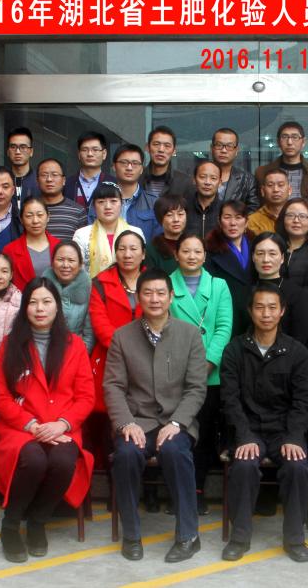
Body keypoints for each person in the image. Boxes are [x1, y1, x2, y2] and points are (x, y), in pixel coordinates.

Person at [104, 269, 209, 563]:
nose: (154, 299)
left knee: (176, 452)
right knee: (126, 454)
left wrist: (177, 423)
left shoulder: (190, 334)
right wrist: (126, 423)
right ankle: (131, 535)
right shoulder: (122, 337)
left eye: (161, 293)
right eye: (147, 293)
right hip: (137, 420)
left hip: (176, 422)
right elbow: (113, 386)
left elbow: (196, 387)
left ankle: (188, 536)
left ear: (171, 296)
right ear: (138, 297)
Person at [0, 277, 95, 563]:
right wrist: (32, 426)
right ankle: (10, 525)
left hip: (62, 426)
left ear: (57, 307)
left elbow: (86, 396)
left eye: (47, 302)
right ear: (24, 307)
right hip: (21, 427)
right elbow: (0, 396)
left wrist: (62, 424)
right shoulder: (11, 345)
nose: (40, 308)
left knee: (64, 461)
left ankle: (37, 521)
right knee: (34, 459)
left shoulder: (74, 345)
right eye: (33, 302)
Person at [221, 283, 308, 563]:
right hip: (247, 429)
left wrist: (294, 437)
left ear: (282, 311)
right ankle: (239, 537)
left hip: (283, 431)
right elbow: (229, 400)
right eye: (260, 307)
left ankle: (294, 539)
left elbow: (303, 402)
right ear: (250, 311)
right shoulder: (235, 350)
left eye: (272, 307)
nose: (266, 314)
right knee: (244, 465)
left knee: (298, 467)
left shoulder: (296, 352)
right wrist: (244, 435)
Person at [170, 233, 234, 514]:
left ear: (205, 256)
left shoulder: (219, 286)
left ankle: (197, 489)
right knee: (177, 433)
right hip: (175, 374)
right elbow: (163, 328)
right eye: (186, 251)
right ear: (176, 255)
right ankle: (177, 491)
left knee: (205, 434)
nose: (192, 256)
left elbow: (224, 327)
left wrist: (208, 362)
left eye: (197, 251)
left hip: (210, 374)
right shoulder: (166, 286)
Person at [86, 230, 147, 465]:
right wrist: (127, 350)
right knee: (107, 414)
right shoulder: (100, 282)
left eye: (133, 249)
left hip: (146, 358)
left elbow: (160, 315)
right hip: (109, 358)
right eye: (122, 249)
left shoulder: (153, 281)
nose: (127, 254)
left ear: (143, 254)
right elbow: (100, 324)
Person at [204, 200, 255, 336]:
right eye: (227, 217)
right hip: (227, 315)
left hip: (254, 313)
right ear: (220, 221)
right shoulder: (210, 250)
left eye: (238, 217)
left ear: (246, 221)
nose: (233, 223)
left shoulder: (256, 246)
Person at [255, 121, 308, 213]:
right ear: (278, 142)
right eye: (284, 137)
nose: (289, 142)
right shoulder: (262, 173)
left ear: (303, 142)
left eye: (295, 137)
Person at [74, 182, 145, 278]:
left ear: (122, 204)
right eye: (101, 202)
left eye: (113, 201)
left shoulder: (136, 233)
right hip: (92, 286)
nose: (108, 206)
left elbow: (141, 268)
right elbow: (77, 271)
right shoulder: (82, 235)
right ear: (94, 206)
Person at [252, 232, 308, 346]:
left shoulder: (297, 294)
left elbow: (300, 338)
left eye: (272, 253)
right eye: (260, 253)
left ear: (282, 258)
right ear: (253, 257)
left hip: (288, 355)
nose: (266, 259)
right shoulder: (245, 291)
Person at [42, 241, 95, 352]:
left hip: (76, 350)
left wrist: (80, 354)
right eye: (60, 260)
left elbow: (89, 334)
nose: (65, 265)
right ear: (52, 262)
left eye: (71, 260)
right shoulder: (41, 287)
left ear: (80, 264)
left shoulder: (90, 290)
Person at [3, 197, 60, 291]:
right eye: (29, 216)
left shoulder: (59, 246)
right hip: (21, 299)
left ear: (48, 217)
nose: (35, 221)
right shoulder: (10, 250)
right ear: (21, 219)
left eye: (40, 215)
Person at [111, 144, 159, 239]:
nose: (129, 168)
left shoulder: (154, 202)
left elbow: (158, 240)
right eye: (124, 162)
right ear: (114, 166)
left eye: (135, 163)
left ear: (141, 169)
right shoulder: (101, 200)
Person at [210, 127, 260, 213]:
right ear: (211, 148)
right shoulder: (198, 177)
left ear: (236, 150)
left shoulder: (247, 180)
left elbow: (253, 211)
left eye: (229, 146)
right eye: (219, 145)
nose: (224, 150)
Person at [37, 158, 88, 240]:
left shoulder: (78, 211)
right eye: (44, 175)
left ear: (64, 180)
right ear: (37, 180)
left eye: (54, 175)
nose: (49, 179)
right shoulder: (30, 210)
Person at [142, 126, 192, 197]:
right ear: (147, 147)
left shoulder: (184, 182)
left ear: (174, 151)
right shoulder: (137, 178)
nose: (161, 149)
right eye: (156, 144)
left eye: (167, 146)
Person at [144, 194, 187, 274]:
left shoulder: (194, 245)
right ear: (160, 219)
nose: (176, 219)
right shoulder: (151, 250)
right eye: (169, 215)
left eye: (180, 214)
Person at [71, 131, 115, 206]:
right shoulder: (66, 184)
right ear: (79, 154)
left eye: (95, 150)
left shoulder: (114, 184)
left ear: (104, 154)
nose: (90, 154)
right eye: (85, 150)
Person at [184, 159, 223, 238]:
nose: (207, 182)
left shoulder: (225, 210)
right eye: (202, 177)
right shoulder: (183, 208)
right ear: (194, 180)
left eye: (213, 178)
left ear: (220, 183)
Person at [248, 168, 292, 236]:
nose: (276, 190)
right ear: (262, 191)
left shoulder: (298, 218)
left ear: (289, 190)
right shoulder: (252, 220)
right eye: (270, 185)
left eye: (280, 185)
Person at [5, 127, 38, 200]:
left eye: (23, 147)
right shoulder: (1, 180)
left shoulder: (39, 181)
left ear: (31, 152)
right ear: (8, 151)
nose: (18, 152)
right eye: (13, 147)